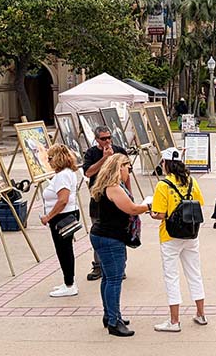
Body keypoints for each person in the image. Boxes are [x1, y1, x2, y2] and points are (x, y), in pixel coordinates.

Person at [89, 154, 149, 336]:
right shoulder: (114, 188)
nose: (129, 170)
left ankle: (110, 315)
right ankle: (114, 322)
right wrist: (149, 205)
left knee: (108, 278)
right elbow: (131, 209)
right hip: (110, 237)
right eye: (127, 167)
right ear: (119, 167)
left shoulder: (105, 185)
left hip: (102, 234)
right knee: (114, 279)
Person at [151, 148, 207, 332]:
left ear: (166, 164)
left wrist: (151, 212)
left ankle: (174, 321)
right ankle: (201, 313)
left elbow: (160, 214)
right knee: (194, 273)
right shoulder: (191, 181)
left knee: (171, 276)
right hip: (190, 234)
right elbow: (199, 203)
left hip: (170, 235)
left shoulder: (163, 185)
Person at [83, 126, 129, 281]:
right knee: (99, 232)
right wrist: (104, 158)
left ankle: (120, 266)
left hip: (118, 198)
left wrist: (129, 195)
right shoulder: (91, 153)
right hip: (98, 200)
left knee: (119, 232)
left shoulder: (119, 151)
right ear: (97, 139)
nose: (107, 141)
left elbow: (127, 175)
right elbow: (88, 172)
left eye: (109, 137)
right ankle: (98, 265)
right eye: (103, 139)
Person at [40, 144, 80, 297]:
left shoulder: (63, 175)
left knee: (64, 250)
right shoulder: (66, 173)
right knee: (64, 250)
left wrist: (48, 216)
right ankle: (68, 281)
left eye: (50, 158)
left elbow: (63, 200)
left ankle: (70, 284)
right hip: (65, 214)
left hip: (62, 216)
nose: (48, 162)